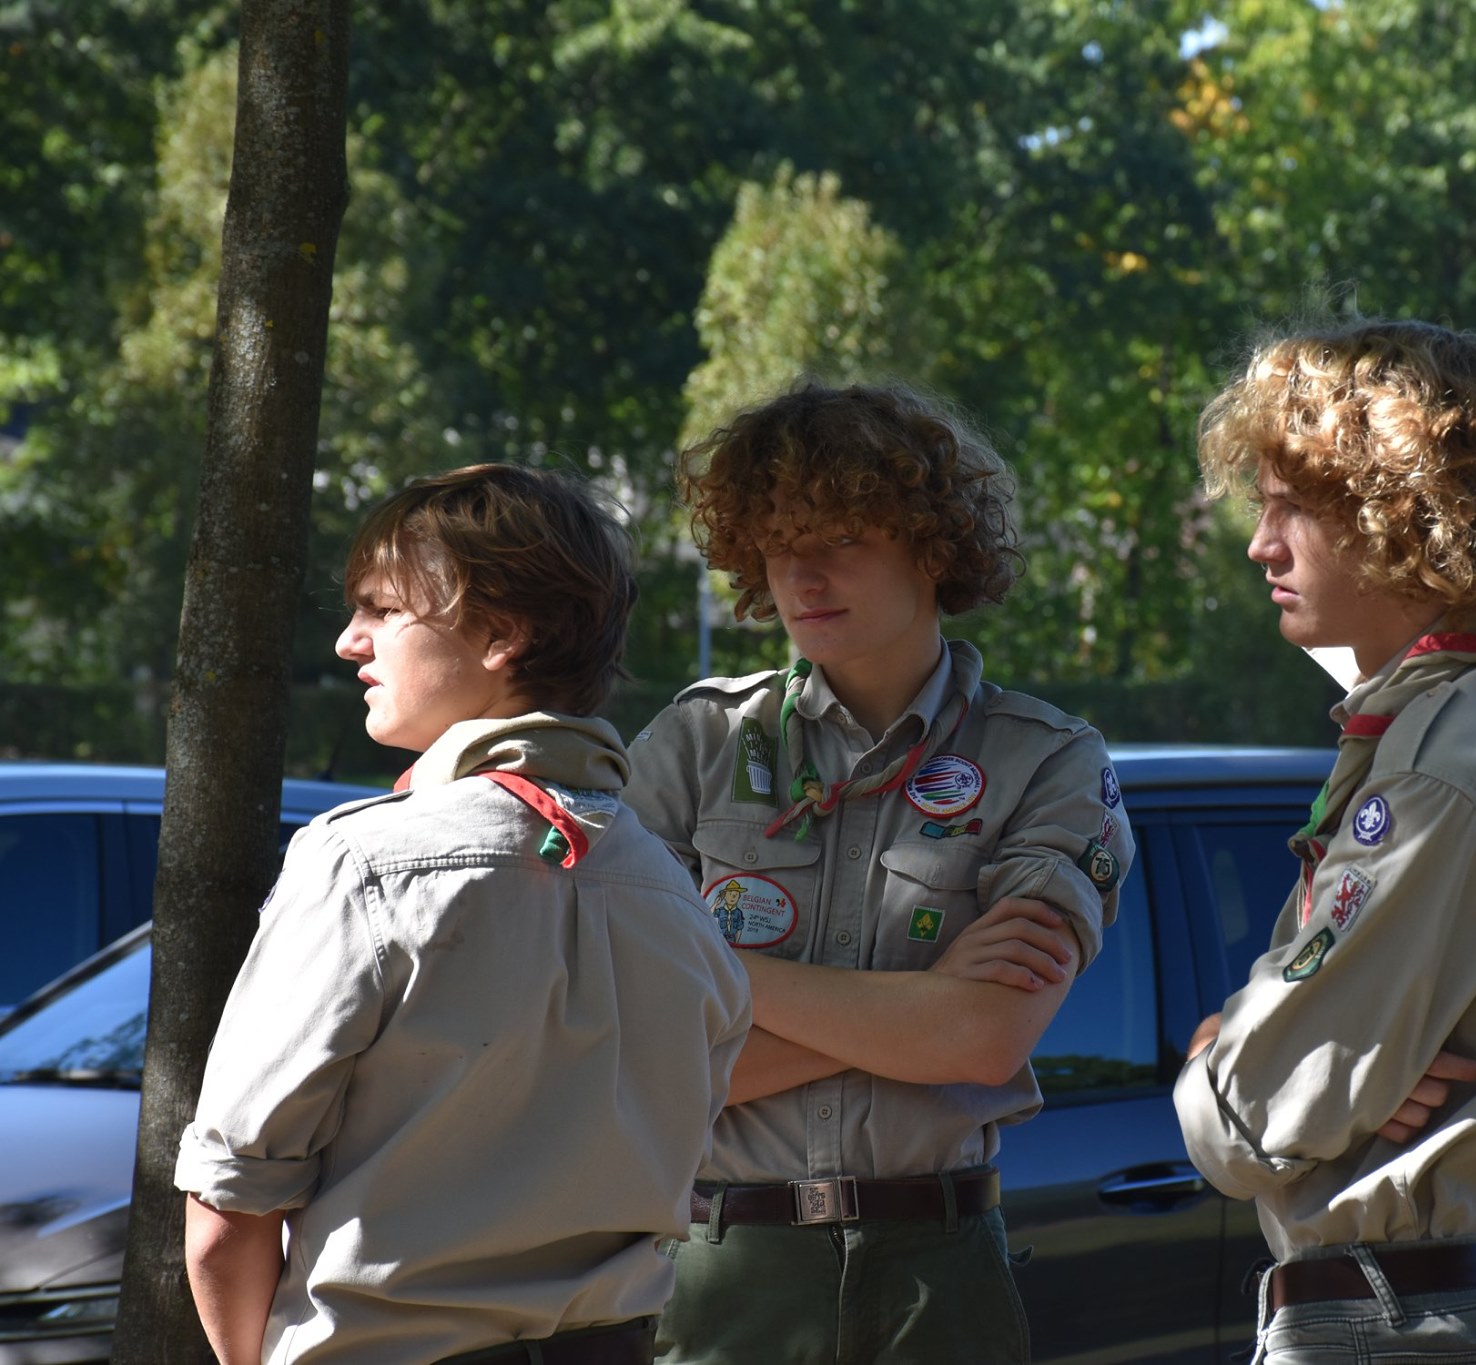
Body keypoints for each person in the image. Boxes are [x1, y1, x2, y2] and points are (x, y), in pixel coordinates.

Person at [177, 463, 751, 1365]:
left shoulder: (360, 864)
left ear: (503, 634)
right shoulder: (674, 890)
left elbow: (227, 1208)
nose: (349, 641)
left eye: (383, 608)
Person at [622, 379, 1134, 1365]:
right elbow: (641, 1060)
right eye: (778, 544)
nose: (802, 574)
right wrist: (919, 1011)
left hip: (936, 1274)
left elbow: (983, 1038)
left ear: (933, 545)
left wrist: (718, 979)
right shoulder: (696, 744)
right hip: (722, 1269)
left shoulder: (1048, 760)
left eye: (842, 537)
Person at [1173, 318, 1476, 1364]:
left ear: (1403, 513)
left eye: (1290, 507)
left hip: (1400, 1324)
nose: (1260, 545)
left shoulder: (1450, 760)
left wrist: (1216, 1054)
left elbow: (1251, 1119)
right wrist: (1298, 1052)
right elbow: (1304, 1066)